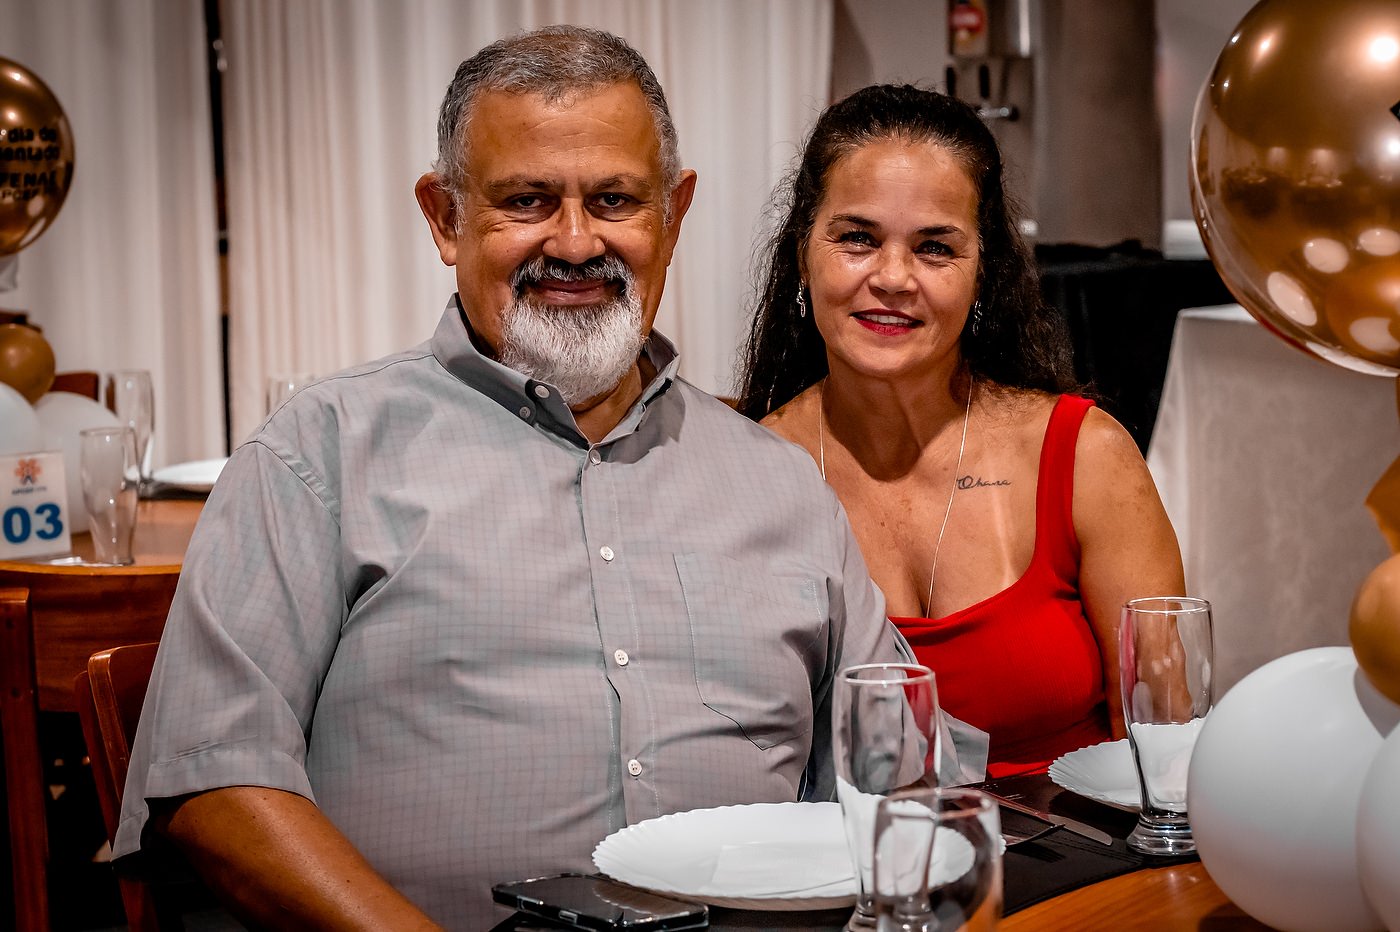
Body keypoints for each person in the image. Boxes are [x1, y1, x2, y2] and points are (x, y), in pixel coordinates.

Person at [113, 28, 915, 929]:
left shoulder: (780, 483)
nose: (574, 242)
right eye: (526, 201)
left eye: (614, 199)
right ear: (444, 218)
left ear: (673, 214)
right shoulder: (318, 457)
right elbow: (212, 784)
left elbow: (900, 767)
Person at [737, 84, 1186, 779]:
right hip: (852, 847)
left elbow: (1168, 749)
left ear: (983, 273)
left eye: (935, 248)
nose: (893, 277)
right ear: (803, 254)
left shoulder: (1084, 454)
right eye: (857, 239)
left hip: (1085, 845)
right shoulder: (749, 473)